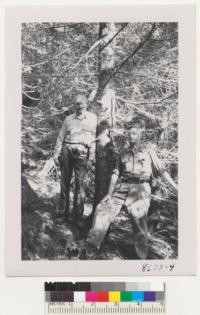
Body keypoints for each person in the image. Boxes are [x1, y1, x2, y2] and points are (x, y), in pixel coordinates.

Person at [86, 127, 177, 259]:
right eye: (128, 134)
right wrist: (109, 194)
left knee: (139, 220)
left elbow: (162, 171)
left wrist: (175, 187)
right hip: (122, 187)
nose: (130, 136)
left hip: (140, 188)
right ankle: (92, 247)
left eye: (134, 134)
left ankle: (141, 258)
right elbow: (115, 174)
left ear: (139, 136)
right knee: (102, 209)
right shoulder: (122, 153)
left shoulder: (148, 152)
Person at [53, 93, 97, 224]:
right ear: (74, 105)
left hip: (82, 153)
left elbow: (94, 140)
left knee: (80, 184)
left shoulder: (93, 118)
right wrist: (56, 154)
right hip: (67, 151)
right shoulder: (68, 119)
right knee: (64, 182)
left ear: (86, 104)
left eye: (81, 103)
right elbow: (60, 137)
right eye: (76, 104)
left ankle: (77, 217)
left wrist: (91, 158)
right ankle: (62, 213)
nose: (79, 106)